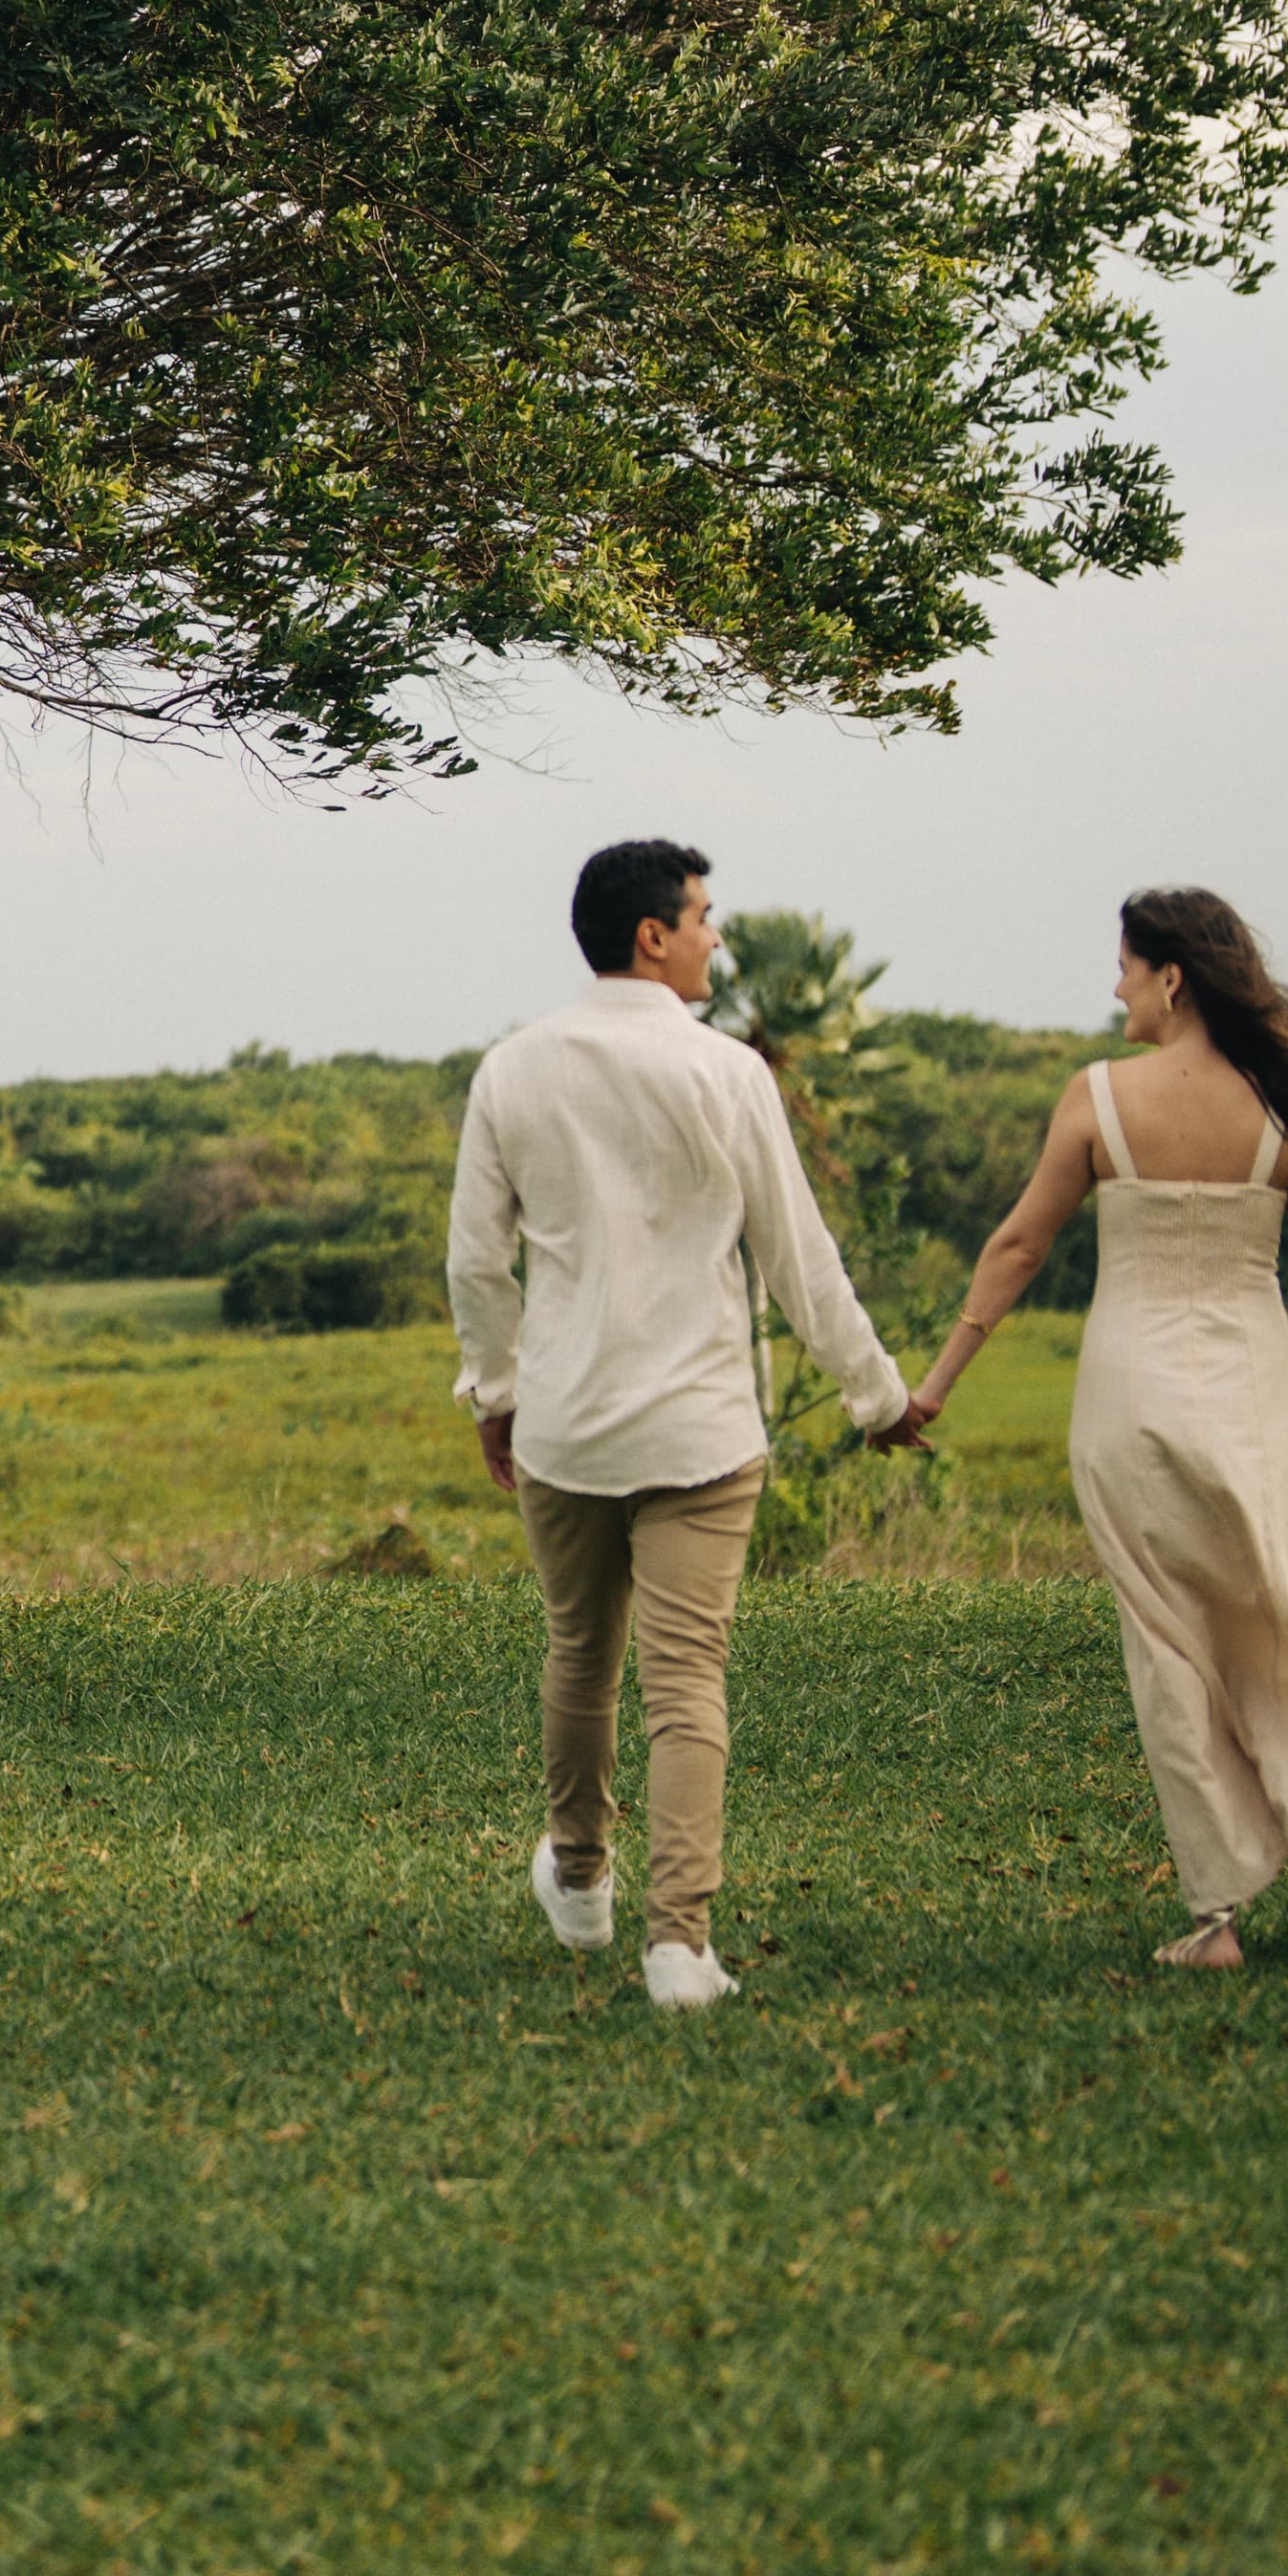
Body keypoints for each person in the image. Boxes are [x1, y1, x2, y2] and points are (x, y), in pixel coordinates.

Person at [905, 885, 1288, 1970]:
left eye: (1127, 967)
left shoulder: (1096, 1098)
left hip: (1128, 1403)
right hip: (1255, 1404)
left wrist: (938, 1385)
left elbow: (1017, 1248)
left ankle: (1220, 1916)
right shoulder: (1286, 1109)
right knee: (1287, 1620)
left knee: (1173, 1643)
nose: (1115, 987)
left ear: (1170, 978)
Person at [448, 836, 924, 2010]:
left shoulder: (512, 1068)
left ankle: (579, 1875)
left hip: (565, 1421)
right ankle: (679, 1945)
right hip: (703, 1432)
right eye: (705, 915)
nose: (718, 935)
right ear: (652, 935)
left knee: (580, 1655)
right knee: (687, 1681)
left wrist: (495, 1393)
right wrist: (877, 1396)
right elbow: (799, 1260)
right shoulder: (729, 1074)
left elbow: (474, 1263)